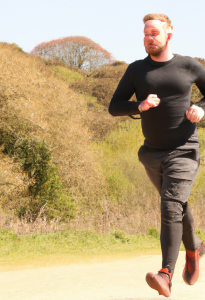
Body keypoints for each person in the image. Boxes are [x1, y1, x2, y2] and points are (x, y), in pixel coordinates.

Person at [108, 13, 205, 298]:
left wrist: (201, 107)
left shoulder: (189, 65)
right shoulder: (137, 70)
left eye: (154, 32)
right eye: (145, 33)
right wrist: (140, 105)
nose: (148, 37)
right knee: (175, 204)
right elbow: (115, 106)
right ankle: (196, 248)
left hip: (184, 150)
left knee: (170, 205)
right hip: (151, 153)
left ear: (168, 35)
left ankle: (166, 274)